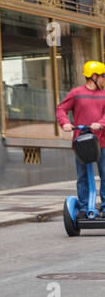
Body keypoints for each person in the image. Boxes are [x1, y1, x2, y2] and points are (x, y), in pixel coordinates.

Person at [56, 60, 105, 210]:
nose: (104, 78)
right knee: (82, 176)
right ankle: (84, 207)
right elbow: (61, 109)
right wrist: (64, 123)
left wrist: (101, 123)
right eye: (103, 75)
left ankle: (104, 206)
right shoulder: (76, 93)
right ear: (94, 76)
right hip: (81, 143)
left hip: (102, 142)